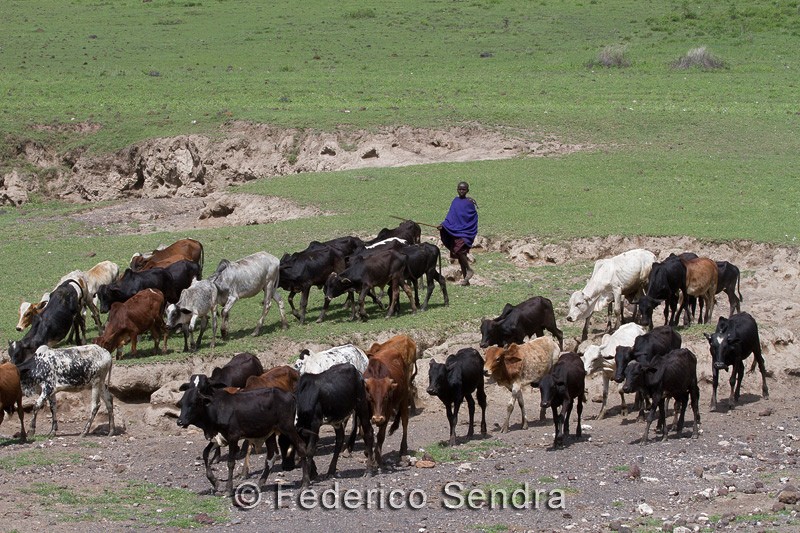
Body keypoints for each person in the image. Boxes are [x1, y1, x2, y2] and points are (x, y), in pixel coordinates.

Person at [438, 181, 478, 286]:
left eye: (464, 189)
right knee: (461, 256)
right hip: (455, 231)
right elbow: (451, 216)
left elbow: (471, 218)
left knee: (459, 250)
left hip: (466, 232)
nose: (461, 191)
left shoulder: (469, 203)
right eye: (460, 189)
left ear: (467, 190)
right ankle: (466, 280)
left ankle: (469, 270)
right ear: (457, 189)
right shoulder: (455, 201)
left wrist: (465, 229)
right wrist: (444, 225)